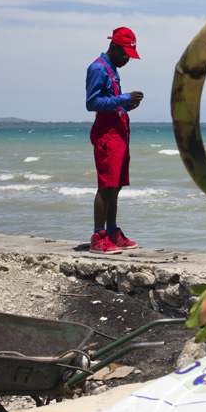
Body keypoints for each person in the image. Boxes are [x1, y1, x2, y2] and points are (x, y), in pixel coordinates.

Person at [85, 27, 144, 253]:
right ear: (114, 47)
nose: (128, 58)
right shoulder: (98, 68)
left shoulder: (112, 69)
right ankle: (98, 237)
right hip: (107, 132)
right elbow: (92, 103)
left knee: (116, 185)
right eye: (126, 53)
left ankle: (112, 232)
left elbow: (108, 100)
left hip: (118, 129)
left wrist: (126, 104)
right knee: (106, 185)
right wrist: (123, 98)